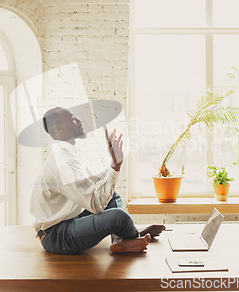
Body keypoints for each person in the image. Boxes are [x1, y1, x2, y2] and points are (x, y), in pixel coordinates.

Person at [30, 106, 165, 254]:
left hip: (68, 220)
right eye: (73, 119)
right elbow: (96, 204)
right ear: (59, 129)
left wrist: (113, 162)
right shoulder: (64, 162)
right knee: (119, 217)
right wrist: (115, 166)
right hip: (56, 236)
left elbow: (92, 182)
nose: (79, 121)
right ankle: (132, 236)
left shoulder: (68, 154)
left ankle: (123, 240)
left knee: (113, 196)